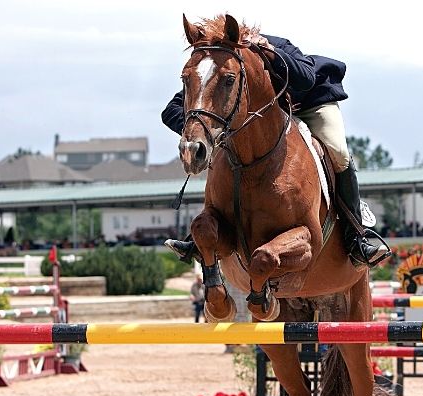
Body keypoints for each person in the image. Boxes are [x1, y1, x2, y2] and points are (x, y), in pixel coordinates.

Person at [163, 32, 390, 267]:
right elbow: (172, 109)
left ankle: (356, 236)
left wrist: (273, 52)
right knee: (227, 154)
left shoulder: (275, 46)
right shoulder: (223, 67)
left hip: (311, 103)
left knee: (338, 152)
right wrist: (207, 130)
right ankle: (204, 237)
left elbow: (306, 79)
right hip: (271, 119)